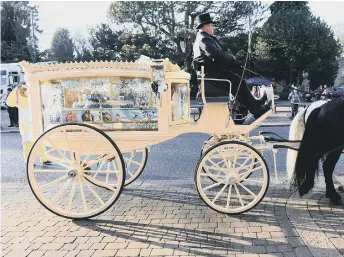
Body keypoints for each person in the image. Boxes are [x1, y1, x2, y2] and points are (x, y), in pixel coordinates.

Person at [192, 13, 271, 121]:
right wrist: (232, 60)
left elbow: (218, 56)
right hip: (211, 76)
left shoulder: (204, 38)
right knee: (238, 82)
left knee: (238, 81)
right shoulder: (204, 39)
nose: (213, 28)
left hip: (210, 74)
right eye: (211, 25)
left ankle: (255, 105)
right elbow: (216, 54)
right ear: (205, 26)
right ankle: (257, 110)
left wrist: (234, 64)